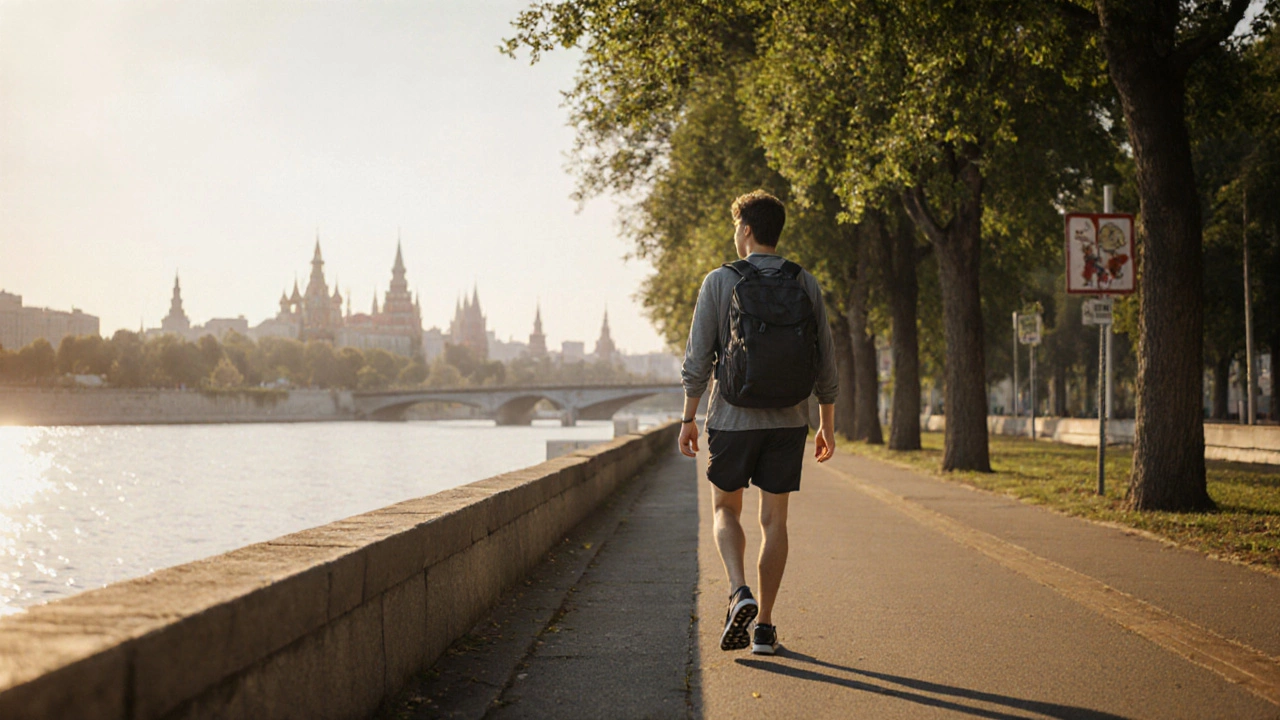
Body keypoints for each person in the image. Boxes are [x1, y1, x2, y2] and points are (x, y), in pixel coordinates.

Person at [678, 189, 838, 656]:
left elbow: (697, 360)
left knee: (725, 511)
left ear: (746, 229)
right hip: (789, 420)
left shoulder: (719, 281)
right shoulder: (805, 282)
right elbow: (826, 363)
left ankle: (737, 590)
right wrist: (826, 423)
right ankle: (765, 628)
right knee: (775, 521)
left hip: (731, 417)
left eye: (735, 227)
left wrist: (689, 417)